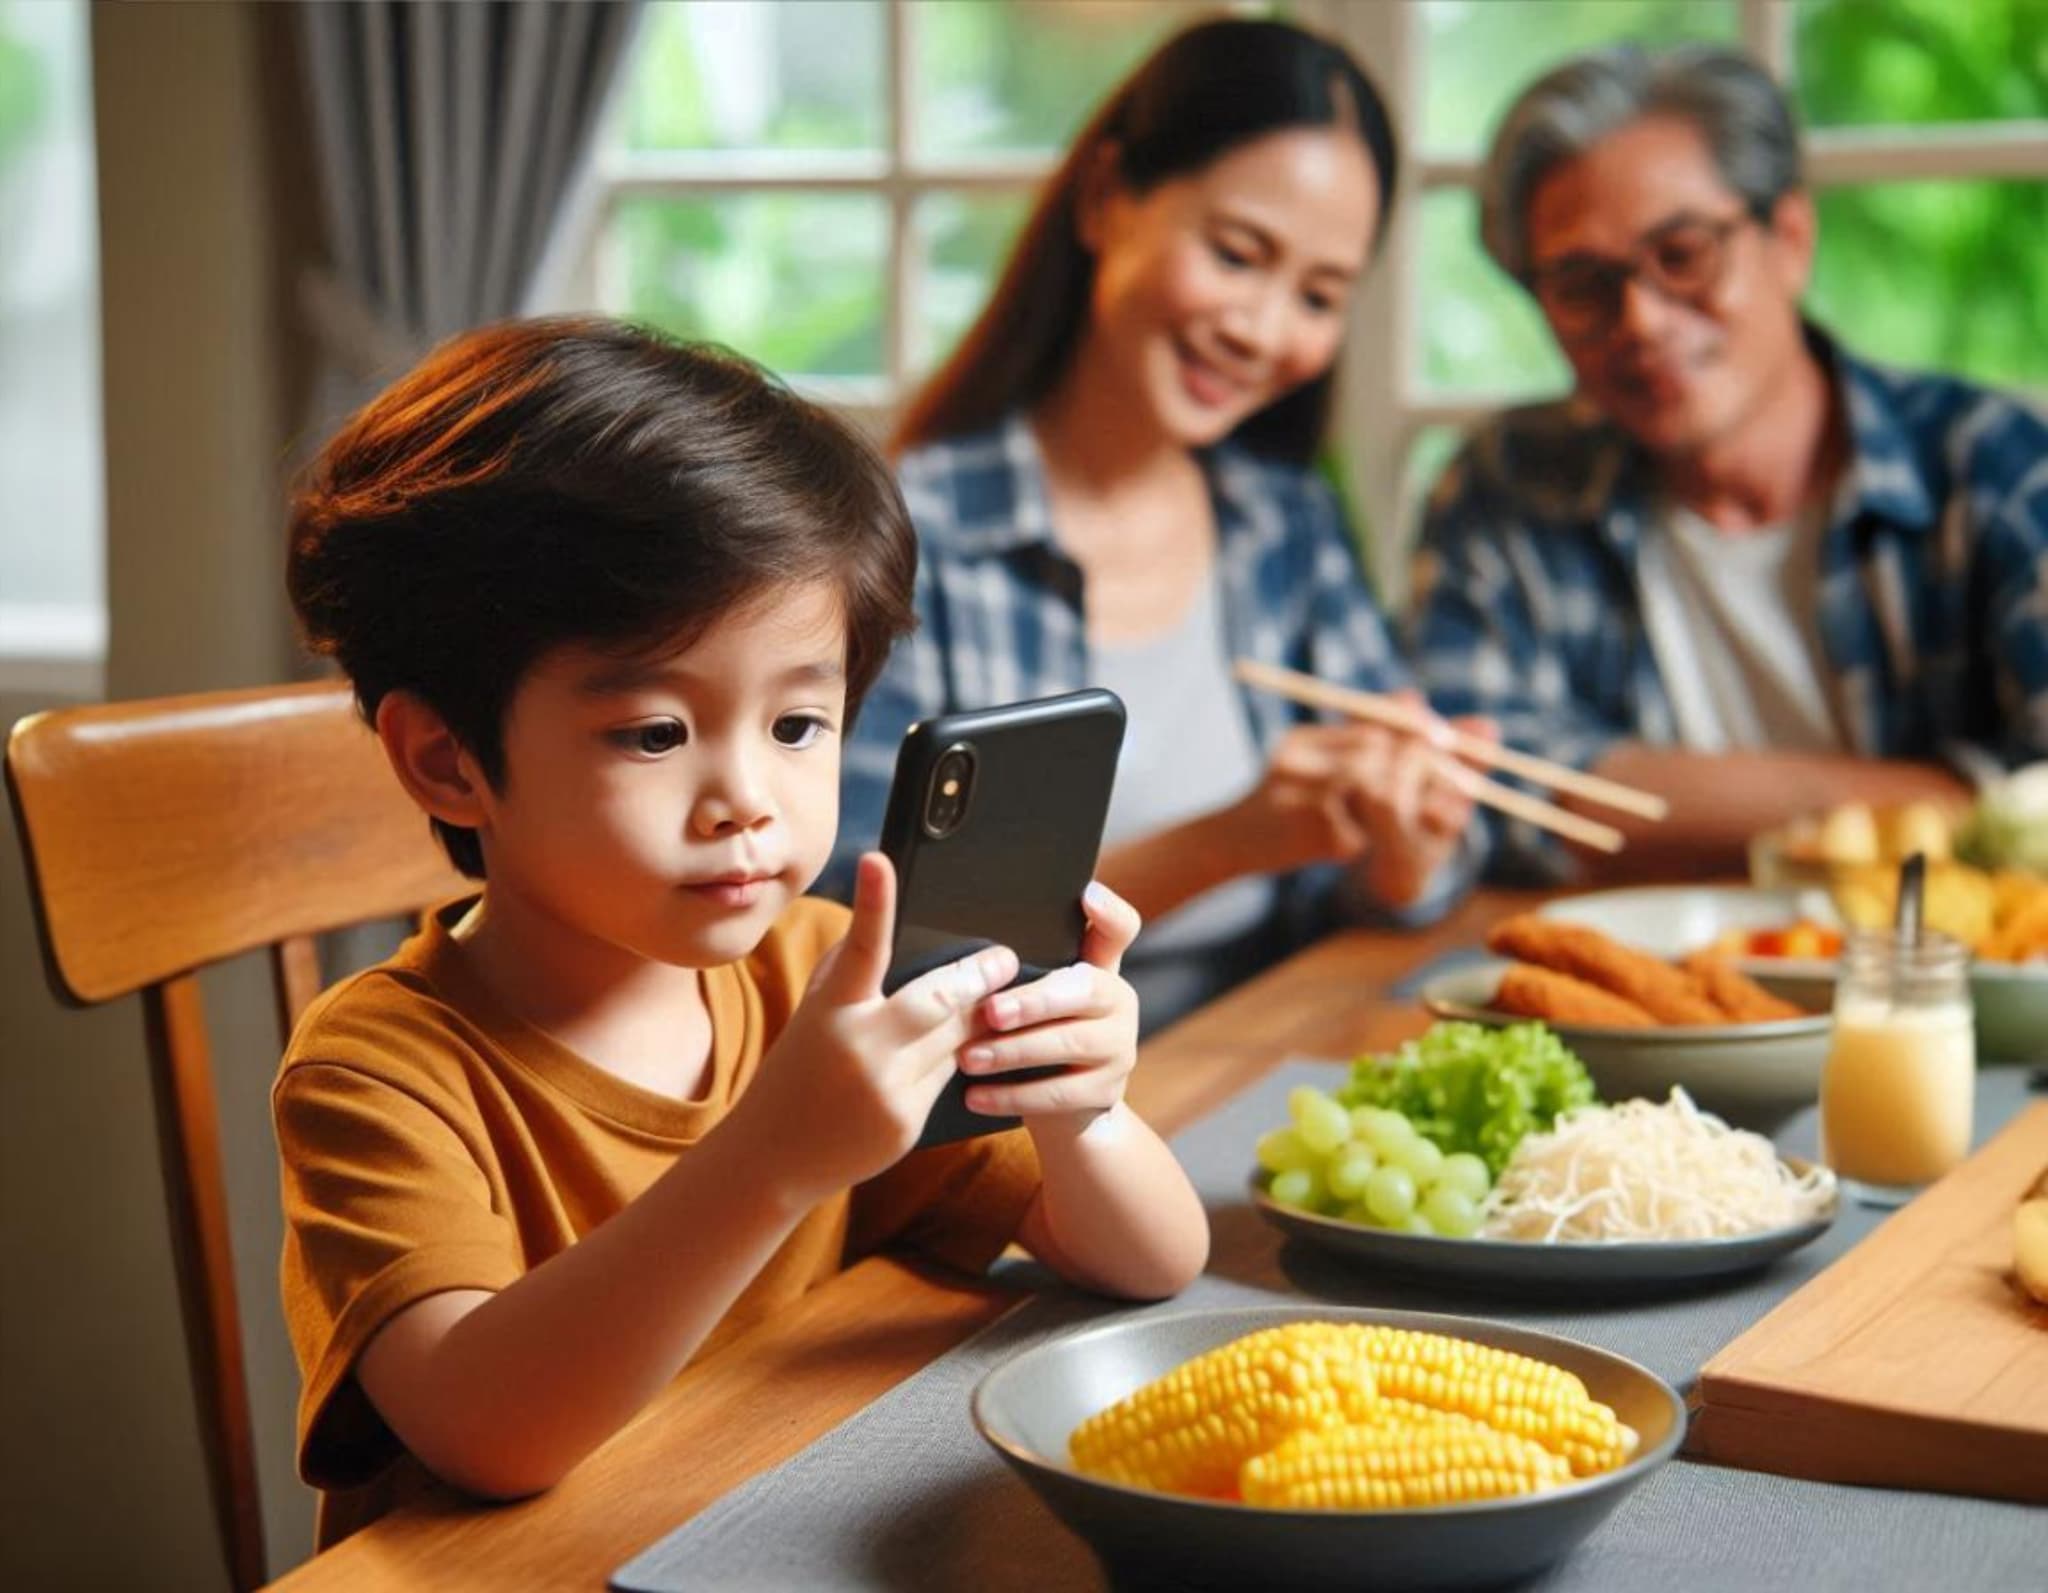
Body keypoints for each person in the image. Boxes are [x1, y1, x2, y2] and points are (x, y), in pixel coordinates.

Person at [276, 319, 1207, 1544]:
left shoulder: (821, 973)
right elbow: (481, 1432)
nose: (748, 803)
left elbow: (1151, 1261)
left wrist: (1079, 1109)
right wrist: (776, 1156)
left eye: (797, 725)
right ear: (448, 760)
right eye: (657, 734)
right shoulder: (379, 1071)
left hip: (763, 1532)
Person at [828, 18, 1490, 1033]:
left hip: (1257, 1055)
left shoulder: (1283, 525)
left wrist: (1404, 846)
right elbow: (841, 931)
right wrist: (1226, 842)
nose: (1262, 330)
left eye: (1317, 295)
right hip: (996, 1115)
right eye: (1236, 254)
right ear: (1104, 198)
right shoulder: (908, 535)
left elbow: (1390, 887)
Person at [1412, 45, 2048, 883]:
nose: (1638, 320)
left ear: (1791, 238)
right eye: (1579, 282)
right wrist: (1945, 799)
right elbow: (1478, 791)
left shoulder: (1990, 463)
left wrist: (1625, 790)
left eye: (1682, 254)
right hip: (1639, 998)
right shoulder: (1509, 480)